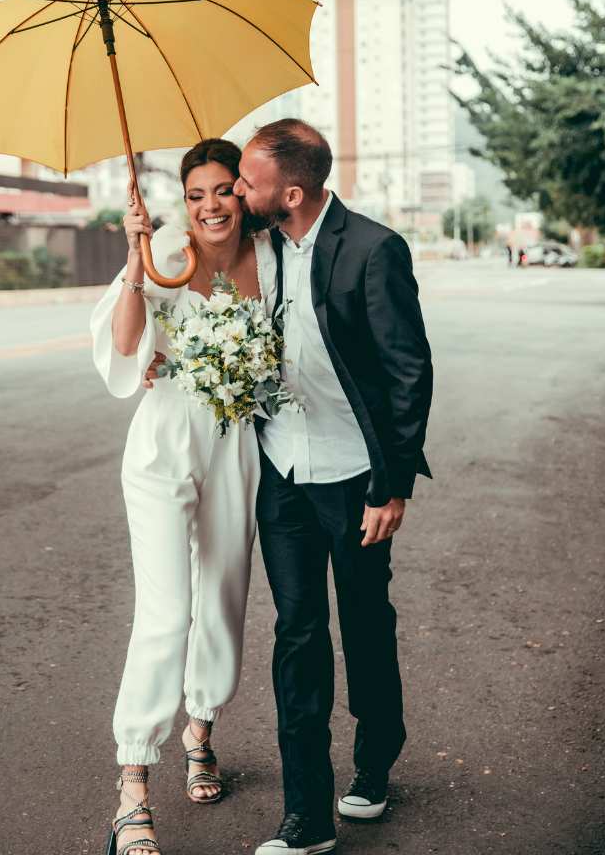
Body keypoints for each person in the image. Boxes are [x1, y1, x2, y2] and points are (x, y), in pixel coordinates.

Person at [231, 119, 433, 855]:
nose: (237, 190)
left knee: (365, 623)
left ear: (290, 191)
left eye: (248, 181)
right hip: (283, 473)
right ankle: (306, 815)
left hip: (355, 476)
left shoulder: (374, 250)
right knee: (299, 635)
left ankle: (376, 761)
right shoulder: (258, 249)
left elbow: (408, 371)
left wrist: (393, 486)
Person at [90, 139, 278, 855]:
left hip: (235, 443)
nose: (210, 206)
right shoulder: (166, 249)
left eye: (224, 190)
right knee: (166, 613)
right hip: (164, 442)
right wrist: (137, 259)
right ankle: (132, 788)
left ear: (244, 194)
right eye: (196, 194)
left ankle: (202, 727)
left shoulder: (274, 257)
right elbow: (125, 344)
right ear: (182, 200)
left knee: (224, 598)